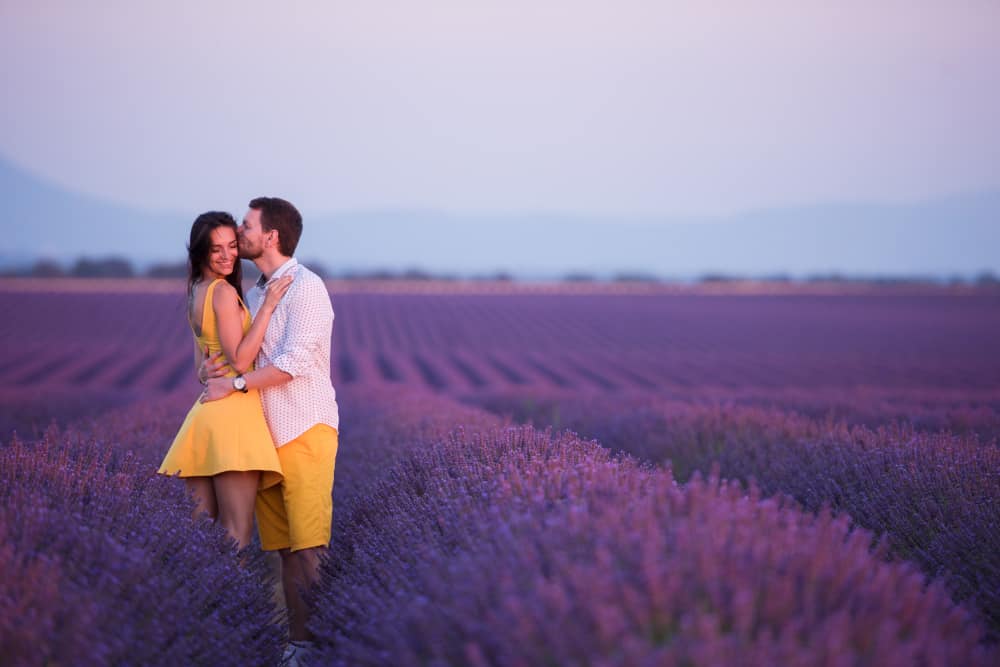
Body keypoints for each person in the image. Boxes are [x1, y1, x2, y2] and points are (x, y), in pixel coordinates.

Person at [201, 197, 339, 663]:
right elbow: (241, 352)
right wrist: (213, 369)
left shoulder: (307, 288)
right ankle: (296, 646)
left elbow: (296, 362)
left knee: (309, 548)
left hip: (305, 428)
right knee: (283, 551)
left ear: (272, 236)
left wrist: (236, 383)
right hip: (264, 437)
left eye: (247, 224)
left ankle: (317, 648)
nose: (239, 232)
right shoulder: (256, 292)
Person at [158, 211, 292, 549]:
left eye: (232, 246)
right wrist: (269, 305)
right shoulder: (221, 292)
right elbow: (241, 360)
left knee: (200, 536)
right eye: (216, 249)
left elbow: (200, 367)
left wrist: (207, 371)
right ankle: (232, 602)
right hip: (233, 417)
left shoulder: (196, 291)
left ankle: (200, 600)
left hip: (204, 418)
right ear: (200, 251)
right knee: (236, 532)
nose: (228, 255)